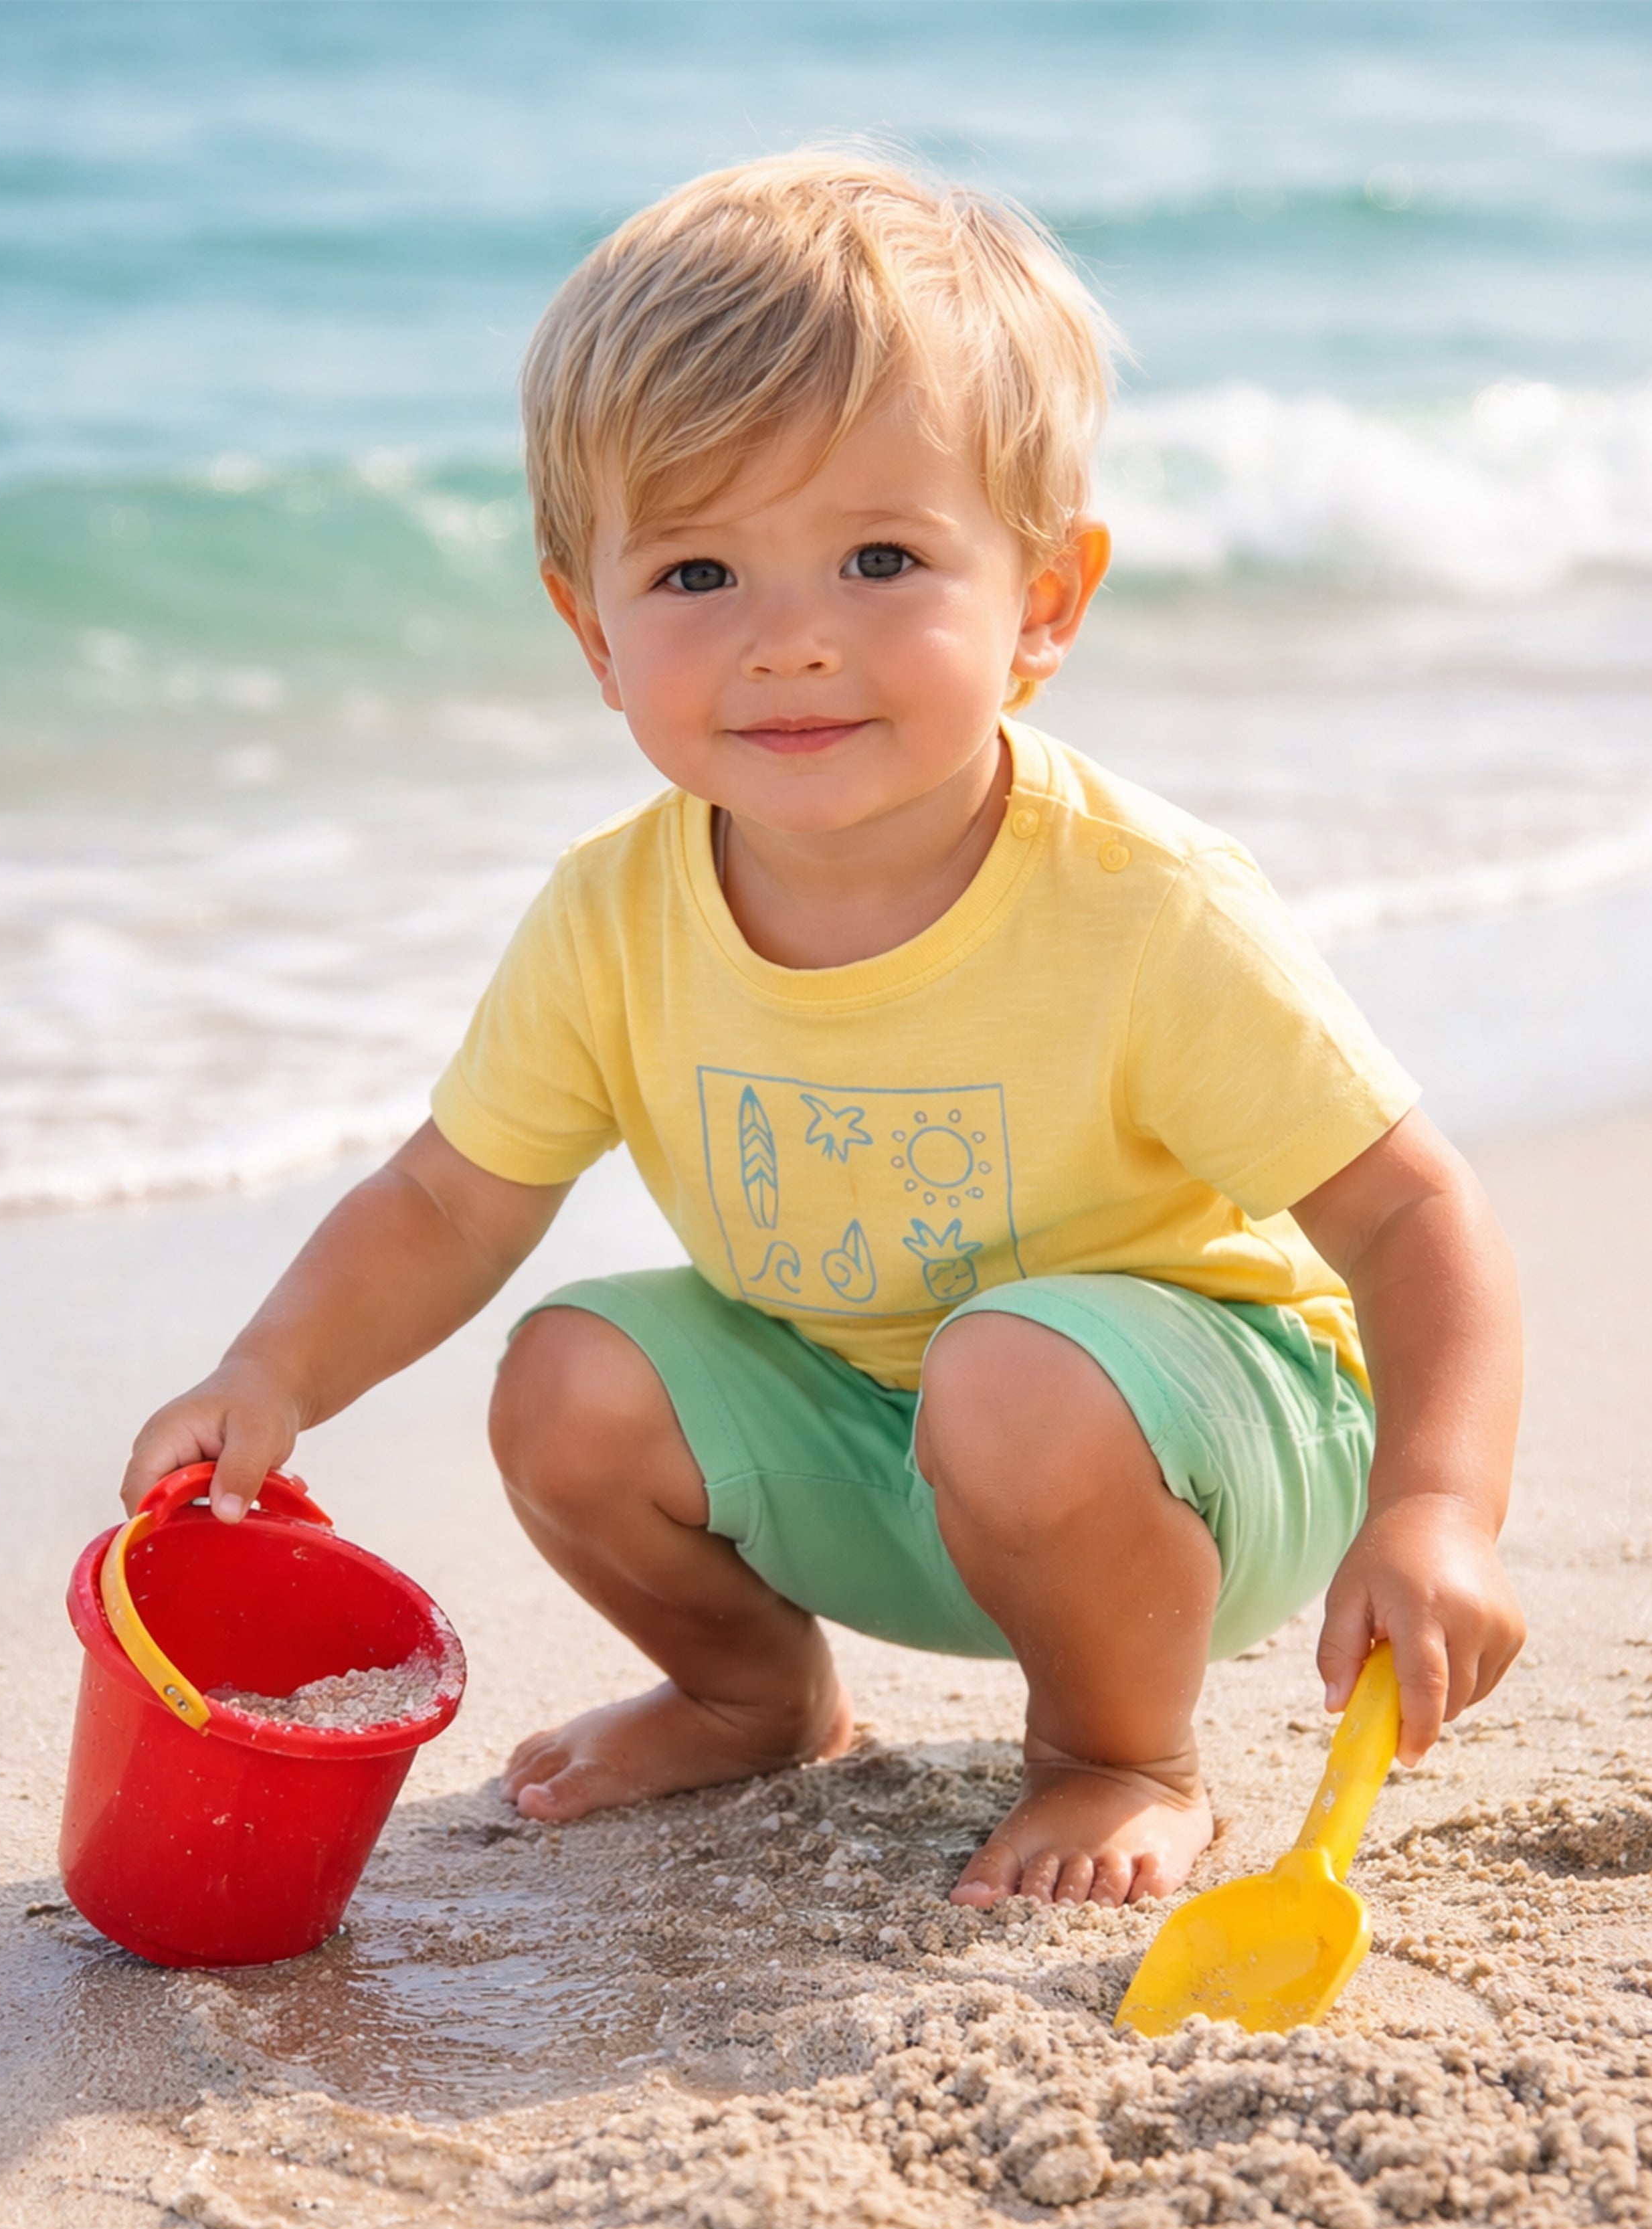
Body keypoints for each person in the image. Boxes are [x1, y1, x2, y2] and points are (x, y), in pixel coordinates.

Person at [124, 154, 1526, 1910]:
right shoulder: (612, 915)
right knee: (567, 1377)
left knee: (1008, 1370)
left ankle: (1120, 1750)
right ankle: (751, 1691)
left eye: (879, 557)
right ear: (589, 628)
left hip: (1197, 1458)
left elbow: (1410, 1213)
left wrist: (1434, 1506)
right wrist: (272, 1373)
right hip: (881, 1444)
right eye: (699, 570)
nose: (791, 642)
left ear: (1043, 603)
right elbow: (448, 1202)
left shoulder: (1134, 903)